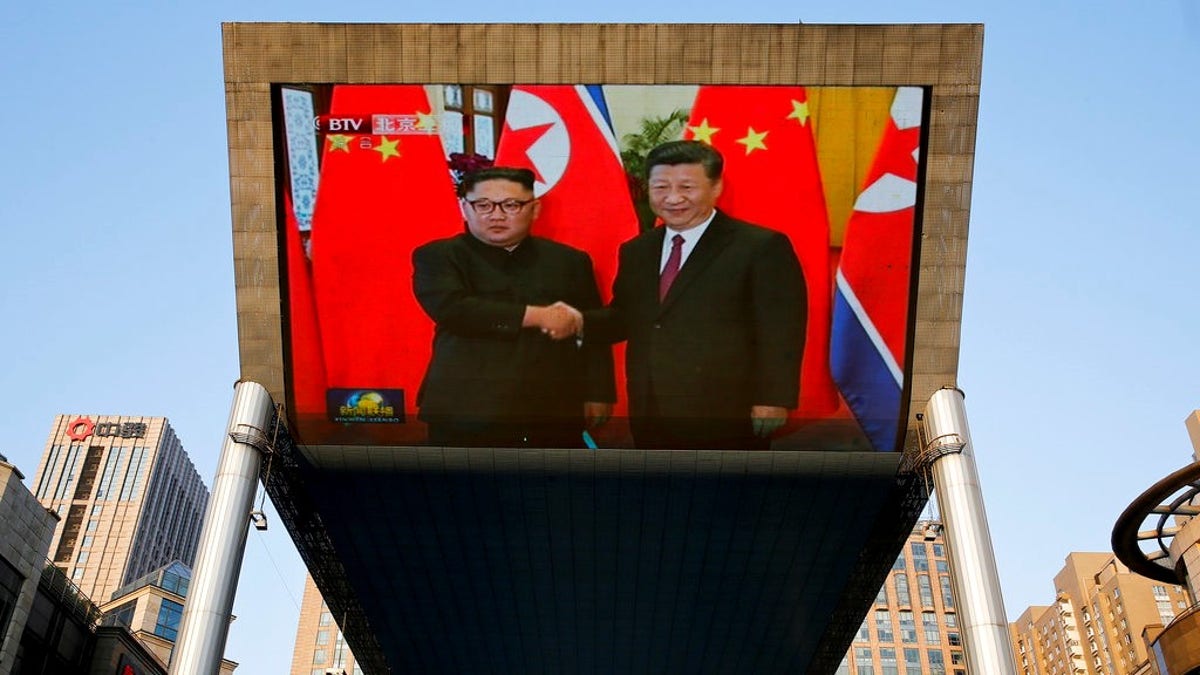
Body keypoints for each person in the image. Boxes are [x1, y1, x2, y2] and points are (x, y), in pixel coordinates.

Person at [584, 141, 806, 449]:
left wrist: (772, 398)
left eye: (687, 187)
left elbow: (782, 329)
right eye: (660, 187)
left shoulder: (760, 246)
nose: (673, 198)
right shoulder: (638, 250)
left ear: (716, 187)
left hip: (727, 410)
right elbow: (625, 317)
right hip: (650, 406)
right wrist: (571, 322)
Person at [412, 166, 614, 447]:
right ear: (464, 208)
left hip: (551, 407)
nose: (496, 215)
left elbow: (592, 329)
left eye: (511, 205)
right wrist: (537, 316)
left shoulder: (570, 261)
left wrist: (599, 392)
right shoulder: (438, 256)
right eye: (482, 205)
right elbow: (453, 309)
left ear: (535, 209)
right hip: (465, 407)